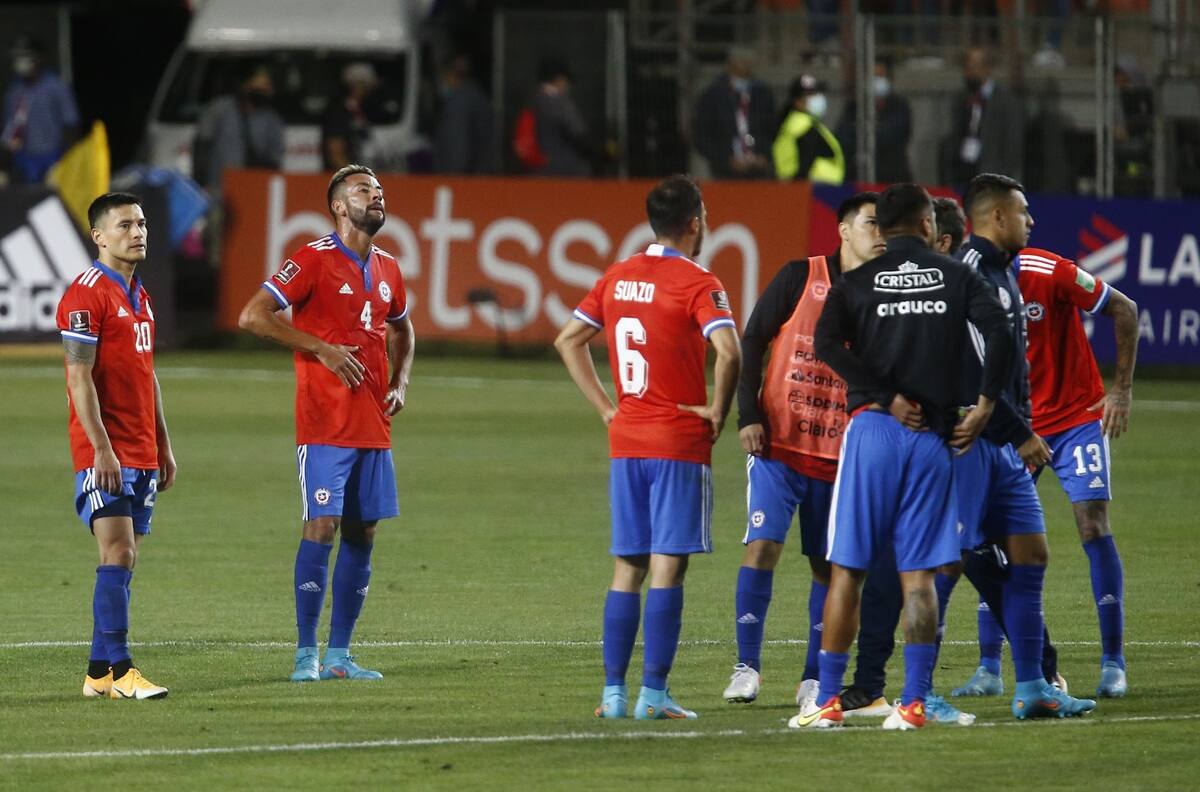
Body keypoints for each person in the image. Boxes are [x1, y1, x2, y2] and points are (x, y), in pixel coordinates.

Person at [793, 182, 1013, 731]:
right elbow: (1001, 333)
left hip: (873, 432)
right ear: (923, 224)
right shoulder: (957, 275)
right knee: (919, 578)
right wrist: (986, 404)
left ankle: (828, 701)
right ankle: (913, 703)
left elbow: (825, 345)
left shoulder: (856, 281)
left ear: (882, 228)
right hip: (933, 440)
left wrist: (884, 394)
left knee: (847, 572)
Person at [554, 175, 740, 720]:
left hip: (627, 438)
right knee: (666, 569)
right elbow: (728, 352)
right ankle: (653, 695)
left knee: (626, 567)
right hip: (677, 440)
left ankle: (613, 694)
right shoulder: (698, 283)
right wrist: (719, 411)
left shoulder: (617, 276)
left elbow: (568, 340)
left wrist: (607, 407)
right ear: (695, 222)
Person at [238, 165, 415, 682]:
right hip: (323, 425)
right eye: (364, 190)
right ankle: (305, 655)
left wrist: (400, 382)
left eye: (380, 190)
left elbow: (404, 329)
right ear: (339, 206)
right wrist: (321, 349)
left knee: (365, 532)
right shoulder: (312, 259)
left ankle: (339, 656)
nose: (376, 196)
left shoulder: (389, 268)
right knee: (322, 525)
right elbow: (253, 315)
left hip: (373, 425)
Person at [942, 173, 1097, 719]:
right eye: (1024, 212)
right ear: (997, 217)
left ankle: (1033, 686)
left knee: (1031, 553)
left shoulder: (1003, 271)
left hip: (1003, 444)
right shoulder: (970, 274)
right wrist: (1024, 432)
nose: (1032, 220)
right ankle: (921, 692)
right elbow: (975, 374)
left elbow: (1006, 371)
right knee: (950, 560)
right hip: (971, 443)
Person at [721, 192, 884, 708]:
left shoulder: (880, 297)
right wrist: (748, 416)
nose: (879, 234)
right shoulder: (801, 275)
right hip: (778, 445)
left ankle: (814, 677)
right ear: (843, 230)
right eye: (871, 224)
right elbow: (753, 339)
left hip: (840, 455)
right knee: (762, 546)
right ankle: (747, 667)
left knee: (826, 566)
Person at [55, 192, 177, 700]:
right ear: (99, 236)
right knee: (119, 550)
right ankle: (125, 672)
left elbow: (147, 378)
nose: (138, 232)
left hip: (142, 450)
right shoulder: (85, 295)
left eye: (143, 223)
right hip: (103, 452)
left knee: (123, 560)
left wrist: (164, 444)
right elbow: (78, 379)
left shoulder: (140, 295)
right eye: (125, 224)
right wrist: (101, 449)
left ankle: (97, 673)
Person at [1010, 245, 1137, 696]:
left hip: (1076, 418)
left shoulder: (1050, 271)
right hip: (1016, 423)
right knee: (997, 536)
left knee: (1091, 524)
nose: (1029, 225)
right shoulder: (972, 277)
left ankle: (1113, 662)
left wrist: (1120, 390)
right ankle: (988, 667)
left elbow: (1125, 308)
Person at [192, 64, 285, 192]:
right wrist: (200, 181)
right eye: (261, 86)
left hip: (253, 188)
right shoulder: (220, 109)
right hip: (218, 187)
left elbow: (274, 159)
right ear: (245, 86)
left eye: (268, 87)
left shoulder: (272, 119)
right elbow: (202, 145)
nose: (267, 91)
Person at [1, 35, 79, 183]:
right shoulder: (14, 91)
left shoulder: (56, 86)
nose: (20, 61)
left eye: (25, 56)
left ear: (38, 58)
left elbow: (71, 124)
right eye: (17, 56)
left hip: (53, 155)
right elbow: (9, 132)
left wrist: (66, 159)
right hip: (24, 158)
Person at [944, 48, 1023, 186]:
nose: (969, 73)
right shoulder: (961, 98)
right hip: (963, 173)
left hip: (991, 176)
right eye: (967, 68)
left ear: (987, 69)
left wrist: (1002, 179)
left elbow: (1013, 144)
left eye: (973, 68)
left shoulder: (1006, 100)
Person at [692, 48, 775, 180]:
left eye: (750, 63)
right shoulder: (712, 95)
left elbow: (772, 129)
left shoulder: (762, 93)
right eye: (743, 62)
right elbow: (701, 136)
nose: (747, 67)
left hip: (759, 170)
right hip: (724, 172)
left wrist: (765, 155)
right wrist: (725, 160)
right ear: (731, 64)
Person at [836, 59, 913, 183]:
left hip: (893, 176)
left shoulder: (899, 105)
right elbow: (842, 137)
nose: (877, 81)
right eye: (873, 77)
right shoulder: (855, 106)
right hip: (859, 178)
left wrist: (861, 131)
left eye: (880, 76)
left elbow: (891, 135)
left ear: (889, 79)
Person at [528, 57, 599, 177]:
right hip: (567, 171)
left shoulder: (533, 101)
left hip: (539, 170)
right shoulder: (560, 103)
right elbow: (579, 136)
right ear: (558, 79)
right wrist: (601, 154)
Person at [772, 74, 845, 185]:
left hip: (810, 188)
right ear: (797, 102)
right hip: (813, 189)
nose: (817, 98)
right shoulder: (801, 124)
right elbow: (806, 162)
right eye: (810, 95)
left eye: (816, 93)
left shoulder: (796, 122)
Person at [432, 53, 496, 174]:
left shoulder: (458, 104)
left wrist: (453, 178)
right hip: (480, 174)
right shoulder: (478, 96)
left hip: (461, 179)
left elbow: (457, 146)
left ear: (450, 75)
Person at [322, 63, 381, 172]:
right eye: (365, 86)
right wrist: (354, 176)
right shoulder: (339, 113)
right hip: (344, 181)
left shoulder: (361, 112)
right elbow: (336, 153)